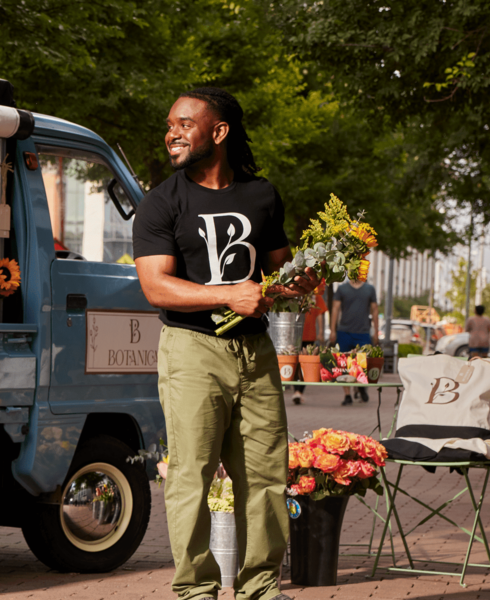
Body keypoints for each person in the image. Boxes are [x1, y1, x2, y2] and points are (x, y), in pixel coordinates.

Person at [133, 87, 318, 600]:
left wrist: (297, 283)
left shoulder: (262, 194)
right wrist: (226, 296)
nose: (172, 132)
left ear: (218, 132)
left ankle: (261, 589)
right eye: (170, 123)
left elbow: (278, 271)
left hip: (255, 354)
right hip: (192, 350)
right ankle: (196, 590)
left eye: (184, 123)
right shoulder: (160, 202)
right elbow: (155, 286)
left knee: (266, 477)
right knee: (191, 477)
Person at [329, 278, 380, 405]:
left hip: (363, 332)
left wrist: (376, 332)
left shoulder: (369, 289)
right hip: (344, 331)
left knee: (362, 364)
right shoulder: (342, 288)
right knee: (343, 365)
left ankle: (361, 387)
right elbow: (335, 309)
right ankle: (347, 395)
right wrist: (332, 330)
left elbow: (375, 310)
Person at [291, 286, 327, 405]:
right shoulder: (294, 294)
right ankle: (297, 391)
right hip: (295, 335)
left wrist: (321, 332)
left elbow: (320, 314)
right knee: (296, 364)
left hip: (309, 335)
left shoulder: (316, 295)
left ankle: (299, 391)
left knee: (305, 366)